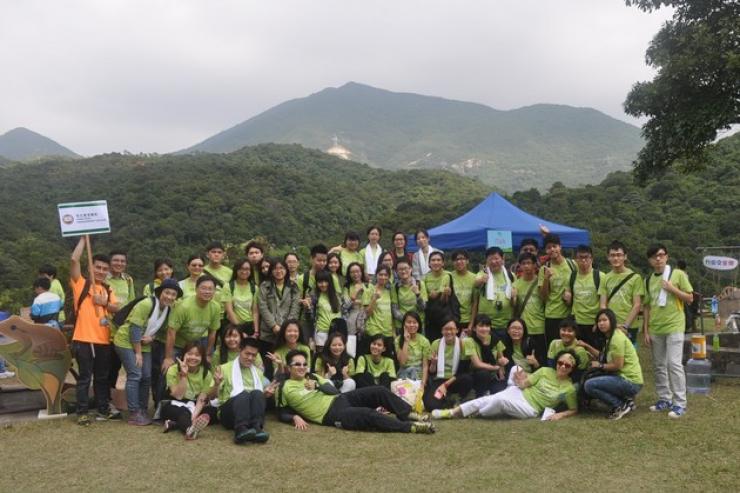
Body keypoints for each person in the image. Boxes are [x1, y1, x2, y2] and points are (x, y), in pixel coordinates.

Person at [276, 349, 434, 434]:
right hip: (330, 415)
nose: (302, 367)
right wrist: (294, 416)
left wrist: (317, 386)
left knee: (379, 390)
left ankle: (406, 413)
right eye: (297, 364)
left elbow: (332, 391)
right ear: (289, 367)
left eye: (304, 364)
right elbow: (281, 411)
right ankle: (411, 427)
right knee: (368, 414)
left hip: (340, 398)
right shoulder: (284, 387)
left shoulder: (312, 376)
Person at [432, 350, 579, 421]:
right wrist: (519, 380)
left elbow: (573, 409)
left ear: (572, 369)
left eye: (568, 365)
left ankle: (476, 412)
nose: (563, 367)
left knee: (498, 400)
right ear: (557, 362)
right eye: (561, 363)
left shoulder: (569, 388)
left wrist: (561, 414)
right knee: (513, 372)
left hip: (531, 408)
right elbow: (524, 384)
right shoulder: (545, 370)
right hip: (520, 392)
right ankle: (452, 413)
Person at [114, 278, 182, 426]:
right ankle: (134, 412)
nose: (169, 297)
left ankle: (143, 409)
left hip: (144, 343)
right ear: (160, 292)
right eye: (167, 292)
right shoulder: (147, 304)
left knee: (147, 375)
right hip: (126, 341)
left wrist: (152, 338)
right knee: (135, 374)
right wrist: (138, 353)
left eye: (173, 294)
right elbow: (135, 328)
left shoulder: (168, 309)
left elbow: (160, 330)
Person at [69, 237, 119, 426]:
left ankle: (103, 408)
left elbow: (116, 308)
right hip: (84, 338)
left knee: (102, 378)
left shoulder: (107, 288)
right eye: (97, 267)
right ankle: (81, 412)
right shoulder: (81, 283)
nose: (100, 271)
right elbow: (74, 261)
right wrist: (83, 239)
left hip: (104, 340)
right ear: (91, 267)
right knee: (84, 378)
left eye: (104, 269)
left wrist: (103, 302)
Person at [643, 244, 693, 418]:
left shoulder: (677, 274)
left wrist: (672, 288)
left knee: (674, 364)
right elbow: (647, 306)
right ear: (650, 260)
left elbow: (690, 298)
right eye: (654, 256)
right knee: (659, 366)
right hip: (656, 328)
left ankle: (680, 403)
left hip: (674, 326)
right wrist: (646, 330)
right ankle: (665, 398)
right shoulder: (648, 279)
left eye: (661, 255)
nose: (658, 259)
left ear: (667, 257)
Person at [581, 309, 643, 420]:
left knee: (589, 385)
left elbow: (618, 365)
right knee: (592, 378)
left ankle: (620, 405)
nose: (601, 323)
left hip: (629, 381)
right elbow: (603, 356)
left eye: (605, 320)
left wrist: (599, 365)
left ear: (612, 321)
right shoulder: (611, 337)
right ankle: (626, 400)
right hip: (623, 378)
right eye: (599, 321)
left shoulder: (616, 339)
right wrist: (587, 347)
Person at [213, 337, 275, 444]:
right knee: (243, 395)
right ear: (239, 351)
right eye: (247, 354)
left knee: (258, 393)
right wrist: (217, 384)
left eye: (254, 355)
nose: (250, 358)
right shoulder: (224, 369)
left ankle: (257, 428)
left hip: (249, 413)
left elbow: (257, 399)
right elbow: (213, 397)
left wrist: (265, 395)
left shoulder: (258, 373)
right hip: (229, 414)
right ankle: (240, 430)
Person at [163, 275, 221, 371]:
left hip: (194, 345)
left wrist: (207, 354)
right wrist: (168, 357)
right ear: (196, 289)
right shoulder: (184, 306)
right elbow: (171, 332)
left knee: (202, 370)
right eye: (203, 288)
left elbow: (212, 332)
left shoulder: (215, 307)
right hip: (177, 345)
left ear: (214, 291)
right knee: (168, 370)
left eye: (210, 289)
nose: (207, 292)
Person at [161, 343, 218, 439]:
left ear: (202, 358)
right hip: (175, 404)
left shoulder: (206, 373)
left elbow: (202, 398)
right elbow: (178, 396)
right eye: (190, 354)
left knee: (213, 412)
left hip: (193, 405)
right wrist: (183, 376)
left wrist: (194, 416)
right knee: (183, 412)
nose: (193, 357)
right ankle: (189, 430)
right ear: (183, 355)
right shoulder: (173, 370)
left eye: (197, 355)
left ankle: (175, 424)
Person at [258, 258, 301, 378]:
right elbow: (263, 307)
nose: (278, 271)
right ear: (271, 271)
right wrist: (273, 325)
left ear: (286, 270)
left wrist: (286, 328)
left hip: (286, 334)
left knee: (284, 363)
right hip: (268, 333)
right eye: (275, 268)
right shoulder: (265, 286)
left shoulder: (293, 287)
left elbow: (295, 307)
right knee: (267, 366)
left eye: (281, 268)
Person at [599, 240, 643, 345]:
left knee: (629, 357)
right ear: (608, 257)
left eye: (619, 255)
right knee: (612, 356)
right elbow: (602, 305)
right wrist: (612, 324)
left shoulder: (635, 278)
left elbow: (637, 305)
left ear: (625, 256)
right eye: (612, 255)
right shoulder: (605, 278)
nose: (615, 258)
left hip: (630, 326)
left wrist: (625, 326)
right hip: (611, 325)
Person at [424, 319, 473, 411]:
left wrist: (445, 385)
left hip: (455, 379)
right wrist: (434, 363)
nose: (449, 332)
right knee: (430, 406)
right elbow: (431, 371)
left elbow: (463, 370)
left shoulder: (463, 343)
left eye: (452, 329)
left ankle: (457, 396)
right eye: (446, 329)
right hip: (439, 379)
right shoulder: (436, 344)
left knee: (467, 379)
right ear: (442, 331)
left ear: (457, 330)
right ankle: (449, 399)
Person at [538, 234, 576, 346]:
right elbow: (543, 297)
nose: (552, 249)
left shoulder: (572, 264)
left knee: (570, 349)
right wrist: (546, 279)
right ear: (546, 250)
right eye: (548, 247)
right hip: (552, 316)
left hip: (570, 315)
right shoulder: (544, 269)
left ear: (560, 247)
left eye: (554, 246)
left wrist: (571, 297)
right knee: (554, 348)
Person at [474, 247, 517, 340]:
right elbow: (476, 283)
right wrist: (482, 280)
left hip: (506, 324)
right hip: (486, 325)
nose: (494, 262)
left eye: (496, 258)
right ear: (487, 261)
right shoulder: (483, 274)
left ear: (502, 259)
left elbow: (515, 300)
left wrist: (514, 298)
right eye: (491, 259)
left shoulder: (511, 275)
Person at [513, 252, 547, 365]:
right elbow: (513, 307)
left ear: (534, 265)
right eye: (523, 263)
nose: (526, 266)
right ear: (520, 266)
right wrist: (513, 298)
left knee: (540, 359)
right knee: (526, 360)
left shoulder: (540, 282)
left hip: (540, 328)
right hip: (524, 329)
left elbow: (545, 298)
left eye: (529, 263)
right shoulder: (516, 284)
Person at [569, 245, 605, 349]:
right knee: (578, 354)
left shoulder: (600, 276)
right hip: (577, 323)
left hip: (594, 324)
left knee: (595, 354)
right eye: (580, 257)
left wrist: (598, 322)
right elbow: (570, 300)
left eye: (586, 257)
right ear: (576, 260)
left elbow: (604, 302)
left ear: (592, 259)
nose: (583, 260)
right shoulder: (572, 276)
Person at [464, 315, 506, 397]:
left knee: (499, 390)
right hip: (476, 374)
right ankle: (479, 395)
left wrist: (501, 372)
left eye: (487, 326)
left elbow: (501, 359)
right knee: (483, 374)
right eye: (481, 326)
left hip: (493, 375)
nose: (484, 329)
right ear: (474, 328)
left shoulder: (495, 339)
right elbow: (477, 364)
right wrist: (495, 368)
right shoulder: (469, 341)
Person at [423, 251, 455, 342]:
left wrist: (446, 294)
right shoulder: (425, 278)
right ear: (429, 263)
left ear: (443, 263)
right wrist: (429, 296)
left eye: (438, 260)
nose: (436, 262)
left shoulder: (448, 275)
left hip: (445, 316)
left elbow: (447, 297)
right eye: (433, 260)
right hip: (430, 318)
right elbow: (424, 297)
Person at [361, 265, 394, 356]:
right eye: (380, 274)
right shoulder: (369, 290)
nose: (383, 277)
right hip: (373, 331)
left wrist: (393, 332)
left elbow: (391, 313)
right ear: (376, 275)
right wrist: (374, 299)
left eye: (386, 275)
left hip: (387, 332)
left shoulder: (389, 291)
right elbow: (366, 313)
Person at [223, 258, 260, 338]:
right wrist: (239, 331)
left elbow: (255, 311)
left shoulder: (254, 288)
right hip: (234, 325)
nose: (244, 271)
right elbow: (229, 310)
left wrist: (256, 331)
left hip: (250, 325)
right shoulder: (228, 286)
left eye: (247, 269)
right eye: (241, 269)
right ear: (236, 270)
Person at [391, 257, 427, 332]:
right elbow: (395, 309)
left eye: (405, 268)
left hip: (417, 325)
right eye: (400, 269)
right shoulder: (395, 287)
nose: (403, 271)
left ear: (411, 269)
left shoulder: (419, 284)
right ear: (396, 271)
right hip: (401, 325)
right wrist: (407, 320)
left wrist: (417, 295)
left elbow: (423, 308)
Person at [395, 312, 431, 386]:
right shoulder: (398, 340)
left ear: (419, 324)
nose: (412, 325)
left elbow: (425, 366)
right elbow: (402, 362)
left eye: (414, 322)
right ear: (404, 324)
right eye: (409, 322)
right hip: (403, 374)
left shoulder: (425, 341)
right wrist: (406, 341)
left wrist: (423, 383)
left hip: (418, 375)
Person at [311, 269, 343, 352]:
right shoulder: (314, 296)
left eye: (326, 281)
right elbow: (311, 315)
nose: (323, 284)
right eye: (320, 282)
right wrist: (307, 307)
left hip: (336, 332)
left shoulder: (337, 295)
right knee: (321, 356)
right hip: (322, 332)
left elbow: (344, 310)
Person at [450, 250, 477, 335]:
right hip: (452, 320)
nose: (459, 262)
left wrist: (471, 324)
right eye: (456, 259)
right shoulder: (449, 276)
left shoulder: (474, 278)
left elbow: (475, 303)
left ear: (467, 261)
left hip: (468, 320)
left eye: (462, 259)